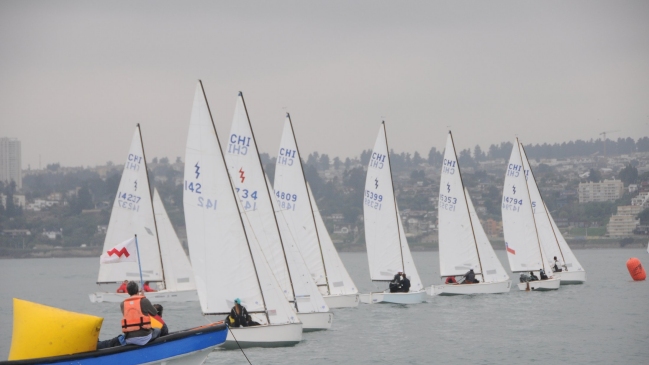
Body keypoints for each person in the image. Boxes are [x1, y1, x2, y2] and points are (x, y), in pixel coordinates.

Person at [97, 281, 160, 349]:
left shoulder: (123, 304)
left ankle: (98, 345)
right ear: (137, 290)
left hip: (129, 339)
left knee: (112, 341)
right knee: (157, 330)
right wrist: (143, 298)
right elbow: (154, 313)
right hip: (145, 338)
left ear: (128, 292)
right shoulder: (144, 301)